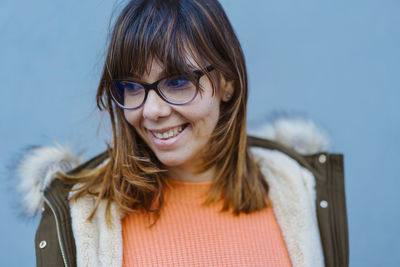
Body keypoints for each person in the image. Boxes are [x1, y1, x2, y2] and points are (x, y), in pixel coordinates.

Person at [16, 0, 348, 266]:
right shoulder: (82, 213)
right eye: (132, 86)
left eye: (177, 81)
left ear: (227, 83)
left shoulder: (297, 188)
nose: (152, 110)